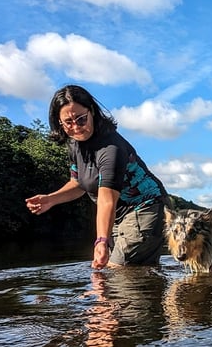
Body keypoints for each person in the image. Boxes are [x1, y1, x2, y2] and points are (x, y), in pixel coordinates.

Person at [26, 85, 170, 269]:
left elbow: (106, 200)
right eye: (68, 122)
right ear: (59, 122)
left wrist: (101, 240)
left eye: (81, 119)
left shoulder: (111, 149)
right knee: (132, 271)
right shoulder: (74, 144)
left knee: (116, 270)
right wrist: (51, 199)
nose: (76, 127)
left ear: (92, 111)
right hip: (119, 216)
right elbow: (79, 183)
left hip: (147, 208)